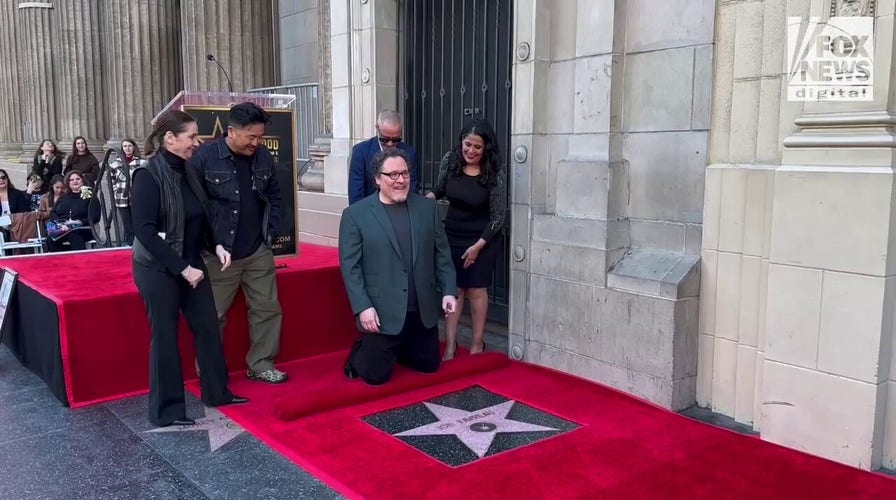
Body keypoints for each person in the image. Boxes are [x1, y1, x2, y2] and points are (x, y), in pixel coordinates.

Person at [131, 109, 247, 427]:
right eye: (192, 137)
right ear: (170, 138)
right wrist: (182, 269)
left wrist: (216, 244)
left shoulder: (189, 169)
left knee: (208, 327)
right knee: (165, 336)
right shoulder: (147, 176)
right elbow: (143, 231)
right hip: (158, 268)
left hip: (192, 262)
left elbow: (201, 216)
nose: (197, 142)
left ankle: (217, 392)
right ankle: (166, 411)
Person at [339, 148, 457, 385]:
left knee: (428, 367)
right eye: (392, 175)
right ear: (377, 179)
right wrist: (363, 307)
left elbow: (442, 254)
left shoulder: (427, 208)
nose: (400, 180)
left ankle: (401, 347)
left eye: (405, 174)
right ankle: (359, 352)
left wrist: (448, 291)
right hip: (383, 311)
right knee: (376, 377)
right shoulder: (355, 215)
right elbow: (350, 267)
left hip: (421, 310)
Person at [191, 102, 286, 384]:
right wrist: (210, 244)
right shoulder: (204, 157)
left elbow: (275, 195)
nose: (256, 143)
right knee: (214, 315)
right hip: (219, 253)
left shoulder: (263, 156)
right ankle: (210, 372)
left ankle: (261, 364)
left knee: (267, 310)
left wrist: (270, 231)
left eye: (260, 137)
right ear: (231, 132)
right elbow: (195, 207)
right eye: (251, 137)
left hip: (258, 250)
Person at [426, 119, 506, 360]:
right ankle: (450, 345)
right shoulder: (450, 161)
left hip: (483, 239)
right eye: (467, 144)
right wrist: (429, 197)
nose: (471, 151)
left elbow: (498, 217)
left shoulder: (495, 174)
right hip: (453, 235)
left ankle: (477, 344)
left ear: (486, 148)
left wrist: (478, 246)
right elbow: (440, 188)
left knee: (476, 289)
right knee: (455, 289)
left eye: (477, 147)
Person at [347, 110, 420, 204]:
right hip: (370, 210)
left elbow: (413, 192)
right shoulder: (360, 152)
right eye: (384, 139)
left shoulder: (410, 153)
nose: (390, 144)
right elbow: (356, 195)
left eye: (395, 140)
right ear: (377, 128)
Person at [46, 171, 94, 252]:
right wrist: (60, 223)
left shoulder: (89, 196)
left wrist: (79, 222)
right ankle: (65, 257)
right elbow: (53, 212)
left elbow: (95, 216)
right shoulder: (63, 197)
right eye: (72, 180)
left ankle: (80, 257)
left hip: (83, 227)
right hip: (63, 227)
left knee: (74, 235)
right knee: (51, 239)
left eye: (78, 179)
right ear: (68, 183)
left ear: (83, 181)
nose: (75, 181)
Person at [112, 138, 144, 245]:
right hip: (121, 196)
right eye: (125, 146)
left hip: (136, 196)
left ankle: (139, 243)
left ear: (134, 147)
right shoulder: (115, 163)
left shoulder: (142, 162)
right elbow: (111, 179)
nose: (127, 148)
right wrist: (116, 189)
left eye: (129, 146)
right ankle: (130, 243)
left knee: (138, 220)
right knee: (126, 222)